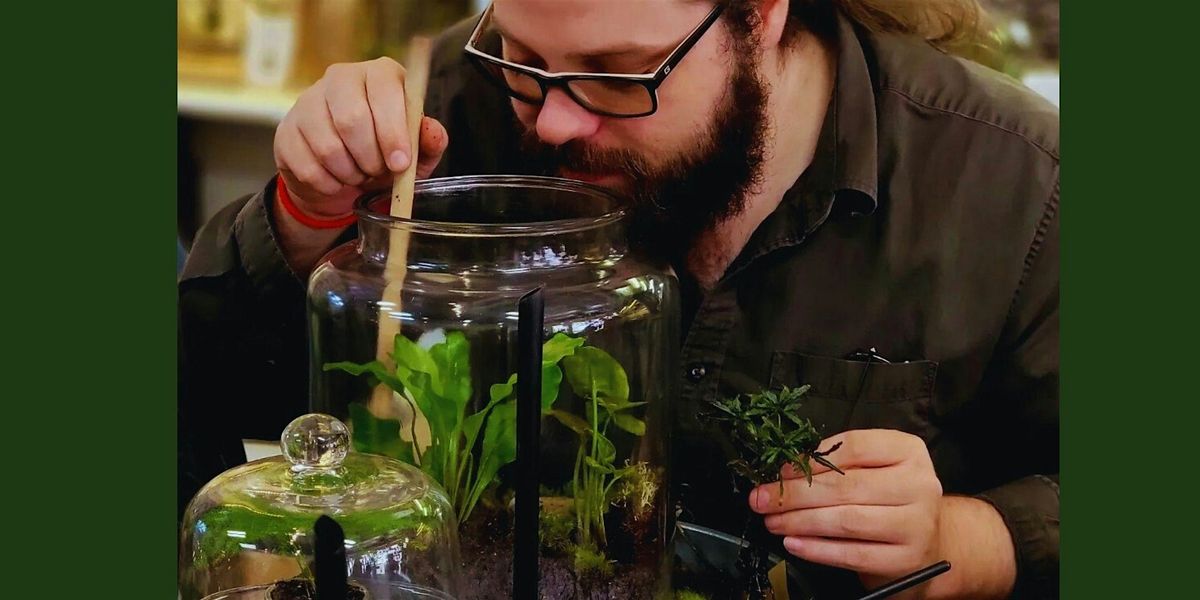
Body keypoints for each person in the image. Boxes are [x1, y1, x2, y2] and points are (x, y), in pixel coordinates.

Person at [179, 0, 1058, 597]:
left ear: (761, 15)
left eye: (618, 73)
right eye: (526, 59)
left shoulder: (1014, 185)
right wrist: (308, 214)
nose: (554, 120)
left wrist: (968, 534)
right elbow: (206, 382)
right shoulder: (450, 107)